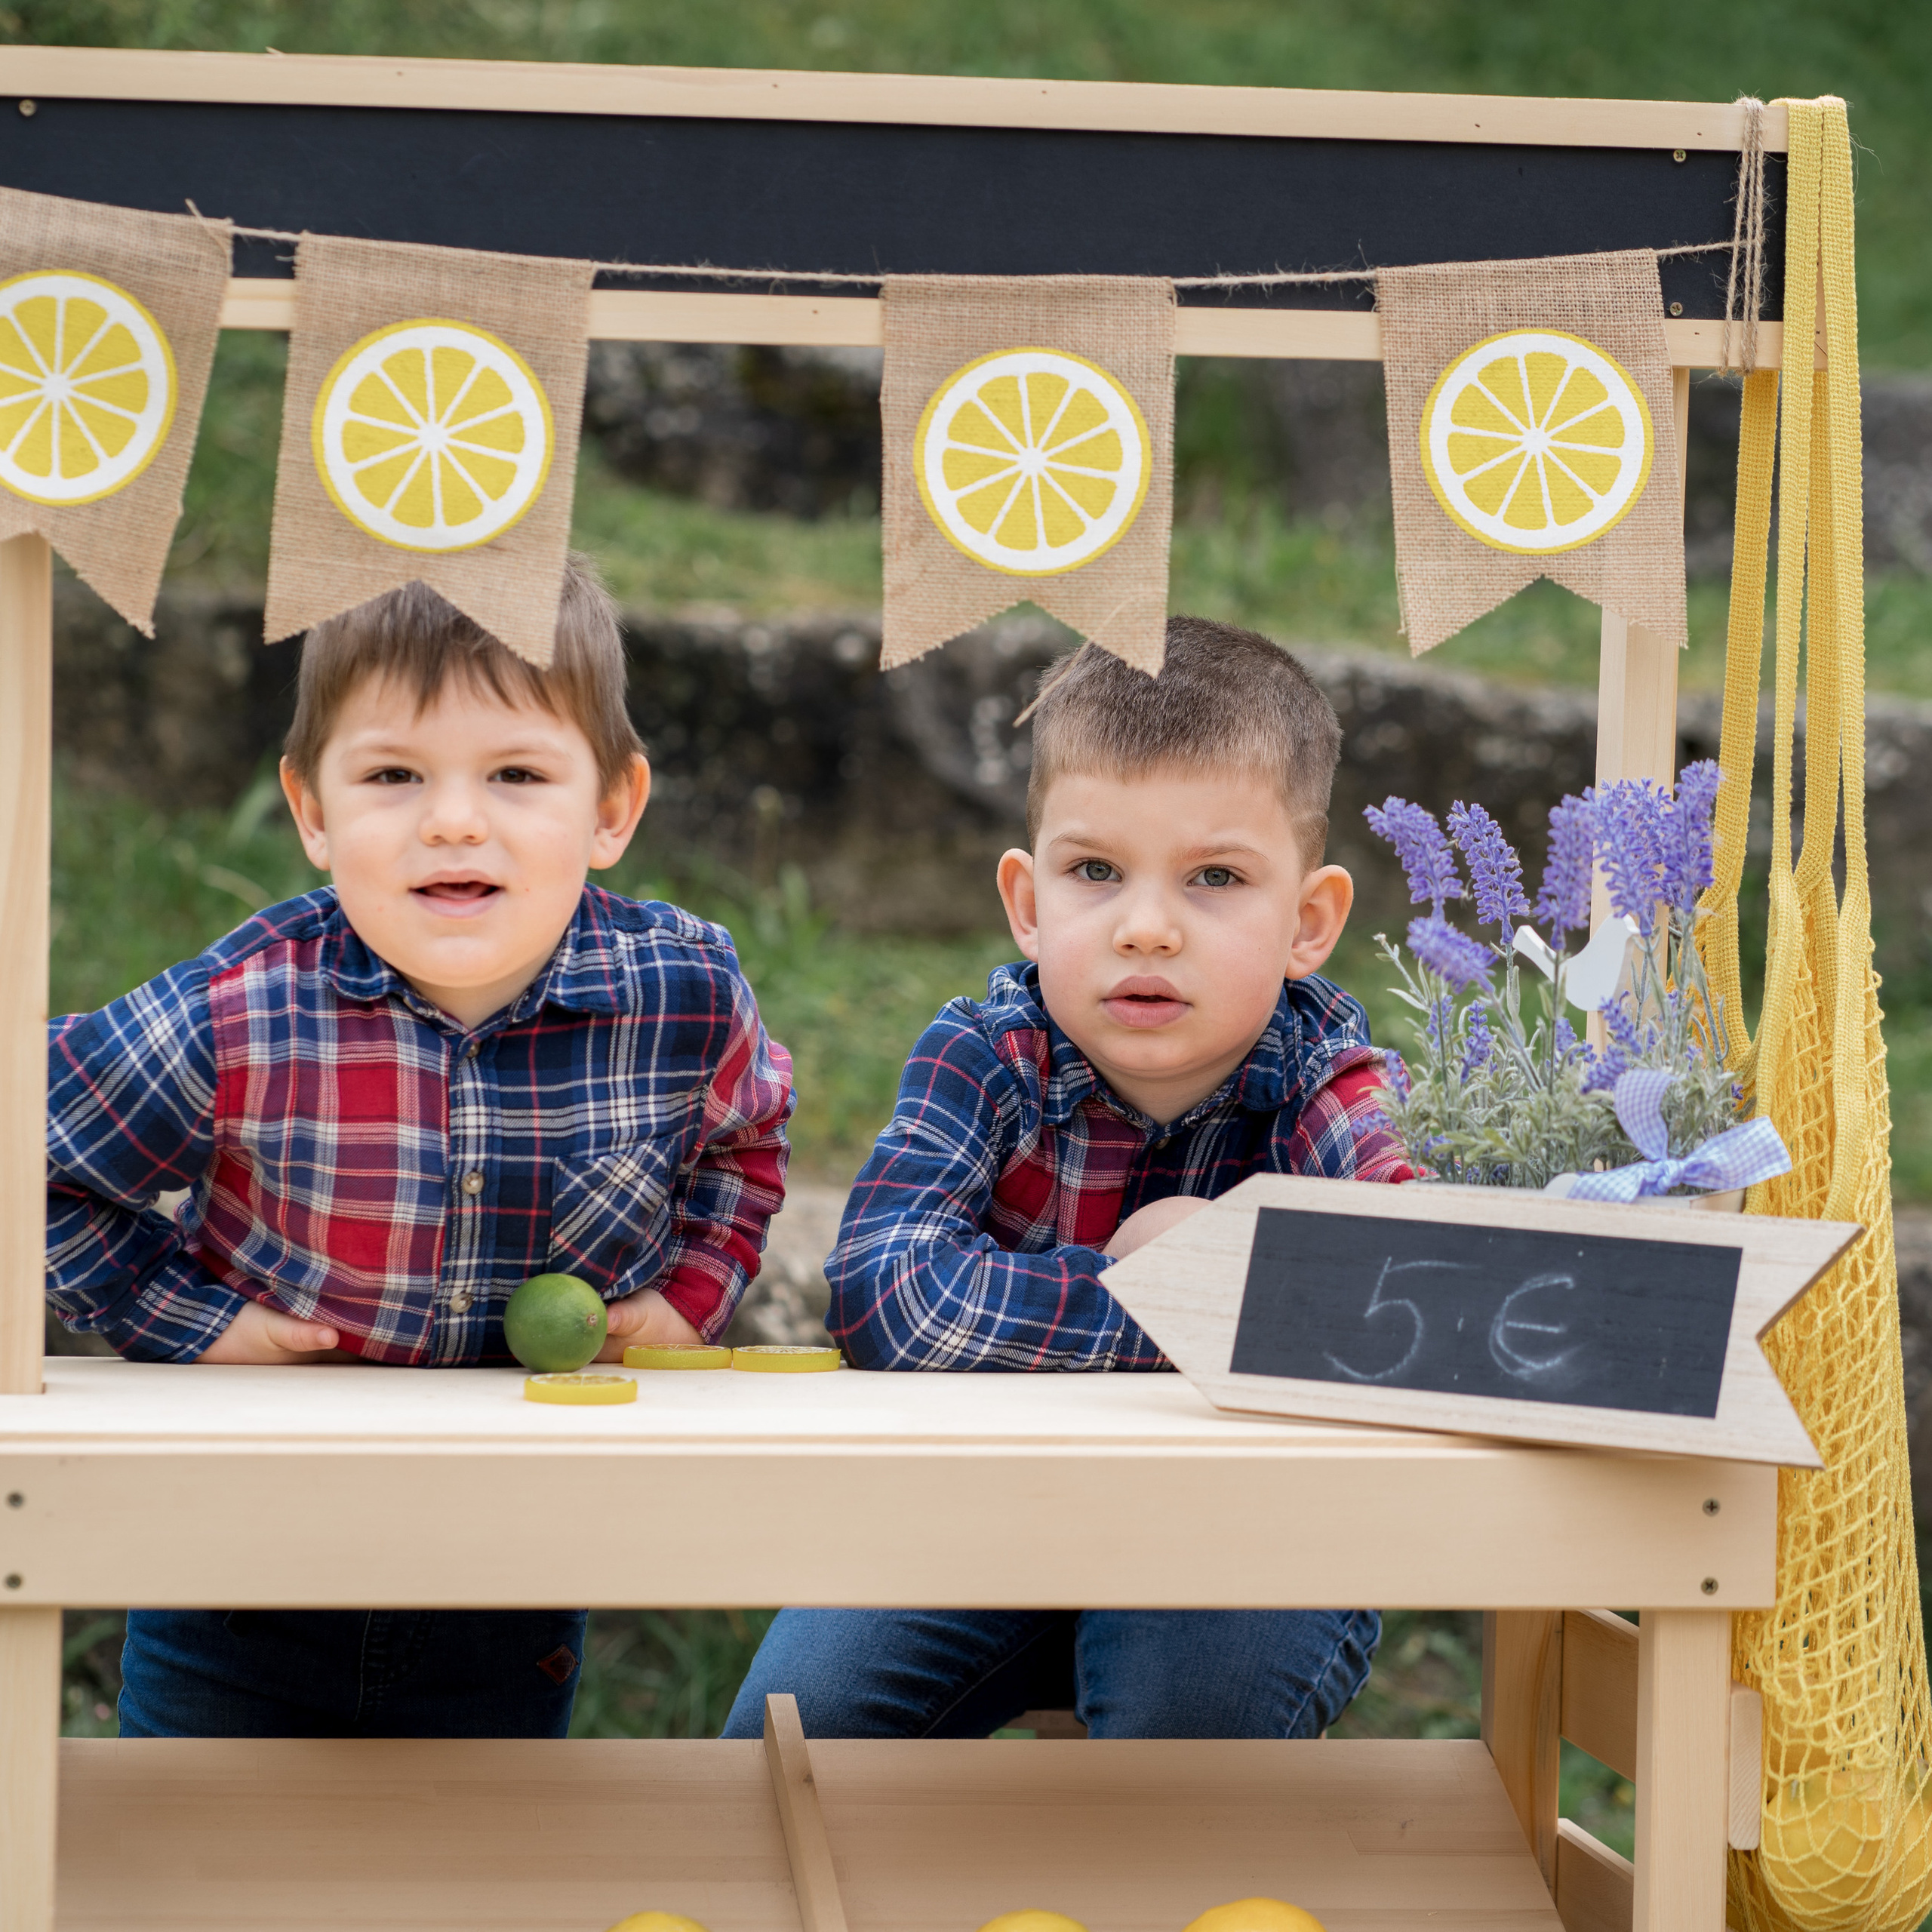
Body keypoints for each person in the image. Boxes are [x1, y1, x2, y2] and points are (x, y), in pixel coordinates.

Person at [47, 558, 792, 1740]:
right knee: (199, 1879)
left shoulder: (682, 995)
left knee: (476, 1868)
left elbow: (745, 1146)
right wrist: (189, 1321)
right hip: (237, 1577)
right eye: (394, 774)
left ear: (611, 809)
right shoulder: (242, 1010)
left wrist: (690, 1295)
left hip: (511, 1584)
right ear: (313, 810)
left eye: (516, 774)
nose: (453, 818)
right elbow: (30, 1157)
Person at [723, 616, 1408, 1743]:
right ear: (1030, 903)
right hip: (977, 1512)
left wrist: (1239, 1284)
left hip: (1250, 1532)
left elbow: (1400, 1291)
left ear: (1310, 920)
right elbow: (888, 1295)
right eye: (1096, 872)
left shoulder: (1327, 1081)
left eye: (1216, 879)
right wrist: (1169, 1291)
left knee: (1187, 1726)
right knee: (794, 1727)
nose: (1147, 928)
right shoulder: (988, 1052)